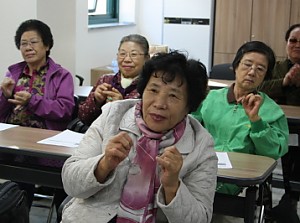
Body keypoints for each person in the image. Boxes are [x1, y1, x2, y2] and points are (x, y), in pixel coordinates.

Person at [61, 51, 218, 223]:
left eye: (173, 96)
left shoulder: (201, 145)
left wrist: (173, 186)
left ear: (190, 105)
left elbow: (200, 219)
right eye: (153, 90)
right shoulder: (112, 117)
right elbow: (70, 183)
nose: (159, 104)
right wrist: (104, 164)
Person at [192, 41, 289, 222]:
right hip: (201, 170)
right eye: (247, 65)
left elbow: (274, 151)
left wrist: (256, 121)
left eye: (260, 69)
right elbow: (190, 127)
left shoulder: (271, 110)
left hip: (239, 183)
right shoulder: (211, 98)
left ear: (266, 76)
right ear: (236, 66)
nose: (252, 72)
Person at [0, 19, 75, 214]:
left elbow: (64, 109)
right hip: (12, 142)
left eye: (33, 42)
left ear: (47, 45)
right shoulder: (14, 72)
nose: (28, 48)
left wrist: (31, 101)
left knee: (22, 177)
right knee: (16, 177)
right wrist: (4, 96)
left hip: (45, 143)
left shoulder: (61, 75)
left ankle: (18, 210)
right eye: (24, 43)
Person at [258, 24, 300, 222]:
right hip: (277, 126)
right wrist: (284, 82)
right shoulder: (275, 67)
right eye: (293, 40)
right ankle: (282, 201)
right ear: (286, 44)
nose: (297, 45)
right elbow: (260, 88)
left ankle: (290, 198)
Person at [78, 34, 150, 126]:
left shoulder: (149, 86)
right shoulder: (105, 80)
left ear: (146, 58)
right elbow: (84, 118)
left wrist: (121, 106)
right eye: (122, 54)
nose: (127, 59)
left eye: (134, 54)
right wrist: (96, 100)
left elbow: (147, 125)